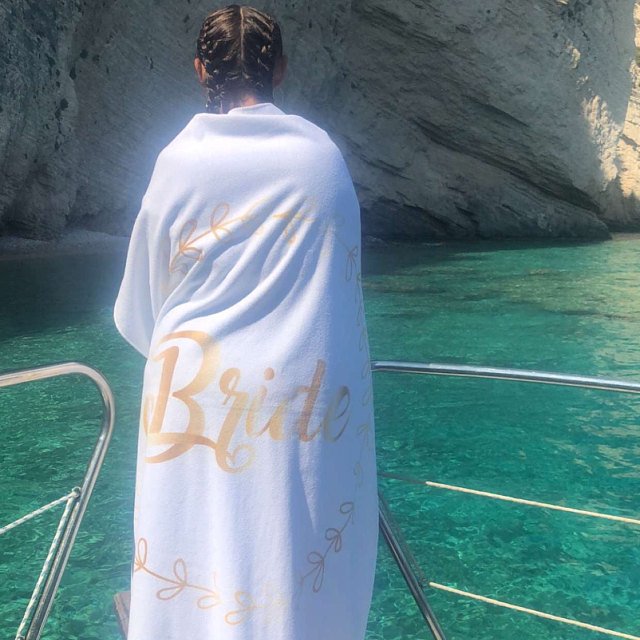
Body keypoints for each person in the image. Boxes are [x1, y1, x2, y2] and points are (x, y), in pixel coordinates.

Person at [113, 5, 378, 639]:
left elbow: (142, 305)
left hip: (191, 398)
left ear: (200, 70)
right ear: (280, 69)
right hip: (301, 404)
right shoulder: (323, 158)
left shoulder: (179, 160)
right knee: (290, 558)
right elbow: (340, 287)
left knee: (197, 554)